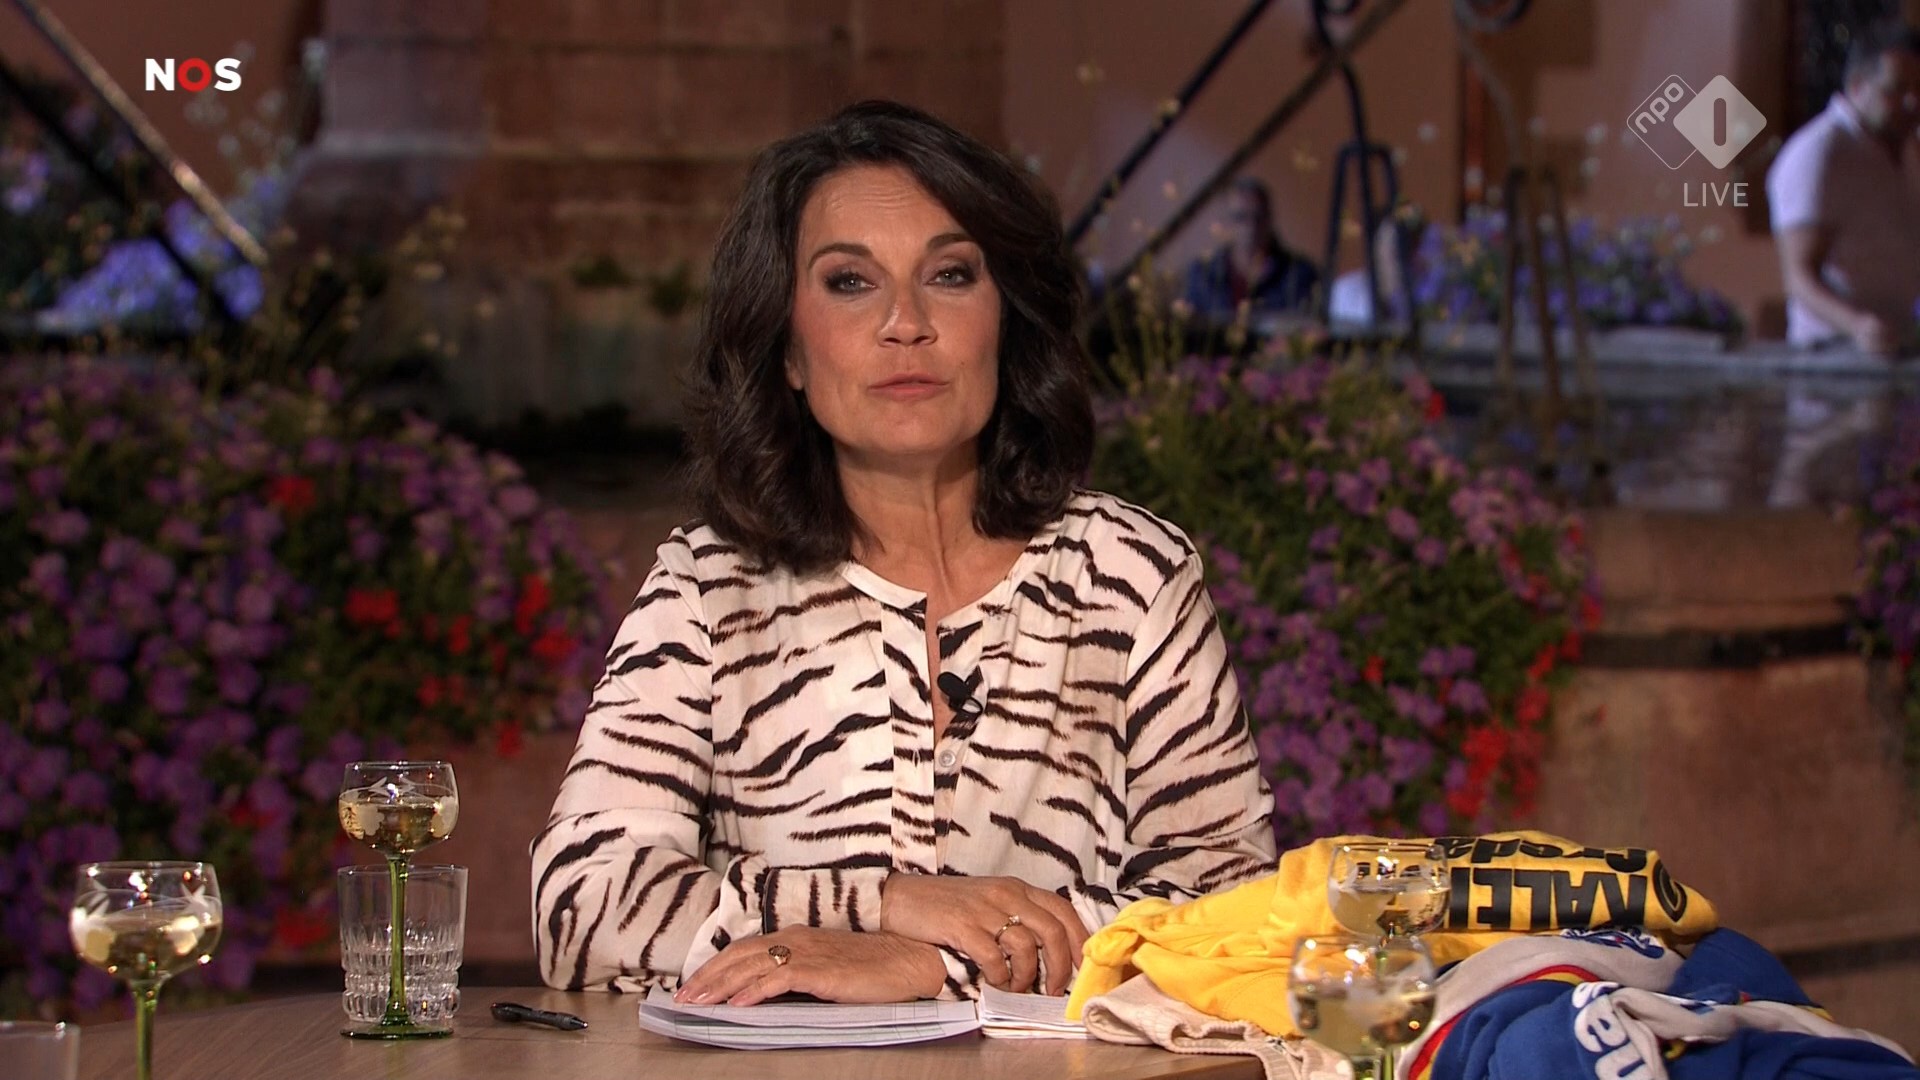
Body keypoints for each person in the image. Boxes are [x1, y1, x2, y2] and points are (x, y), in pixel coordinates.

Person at [530, 100, 1276, 1007]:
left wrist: (929, 967)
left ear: (1006, 321)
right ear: (789, 350)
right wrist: (882, 905)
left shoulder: (1130, 575)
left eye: (951, 275)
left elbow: (1230, 917)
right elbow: (581, 906)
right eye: (850, 282)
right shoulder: (709, 589)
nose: (906, 323)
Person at [1767, 20, 1920, 357]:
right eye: (1896, 89)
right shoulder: (1818, 153)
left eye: (1918, 90)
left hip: (1901, 348)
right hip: (1833, 355)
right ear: (1857, 86)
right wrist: (1857, 325)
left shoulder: (1908, 147)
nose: (1912, 102)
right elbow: (1799, 276)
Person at [1181, 177, 1321, 323]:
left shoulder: (1297, 273)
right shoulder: (1203, 274)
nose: (1251, 226)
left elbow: (1308, 324)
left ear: (1270, 219)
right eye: (1241, 217)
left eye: (1258, 217)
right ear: (1227, 221)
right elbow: (1189, 324)